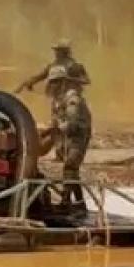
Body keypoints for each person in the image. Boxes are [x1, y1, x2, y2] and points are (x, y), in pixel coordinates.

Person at [47, 65, 93, 207]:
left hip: (78, 138)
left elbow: (72, 125)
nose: (53, 85)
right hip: (68, 138)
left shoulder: (72, 100)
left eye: (56, 82)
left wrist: (55, 128)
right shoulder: (59, 100)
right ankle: (80, 204)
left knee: (69, 168)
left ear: (63, 82)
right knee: (72, 172)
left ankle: (65, 201)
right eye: (52, 82)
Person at [16, 38, 90, 105]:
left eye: (59, 51)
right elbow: (39, 77)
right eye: (56, 51)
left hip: (72, 95)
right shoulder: (52, 66)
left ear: (65, 52)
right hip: (56, 98)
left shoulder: (75, 66)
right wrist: (27, 83)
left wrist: (70, 79)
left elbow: (86, 80)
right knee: (54, 114)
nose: (56, 53)